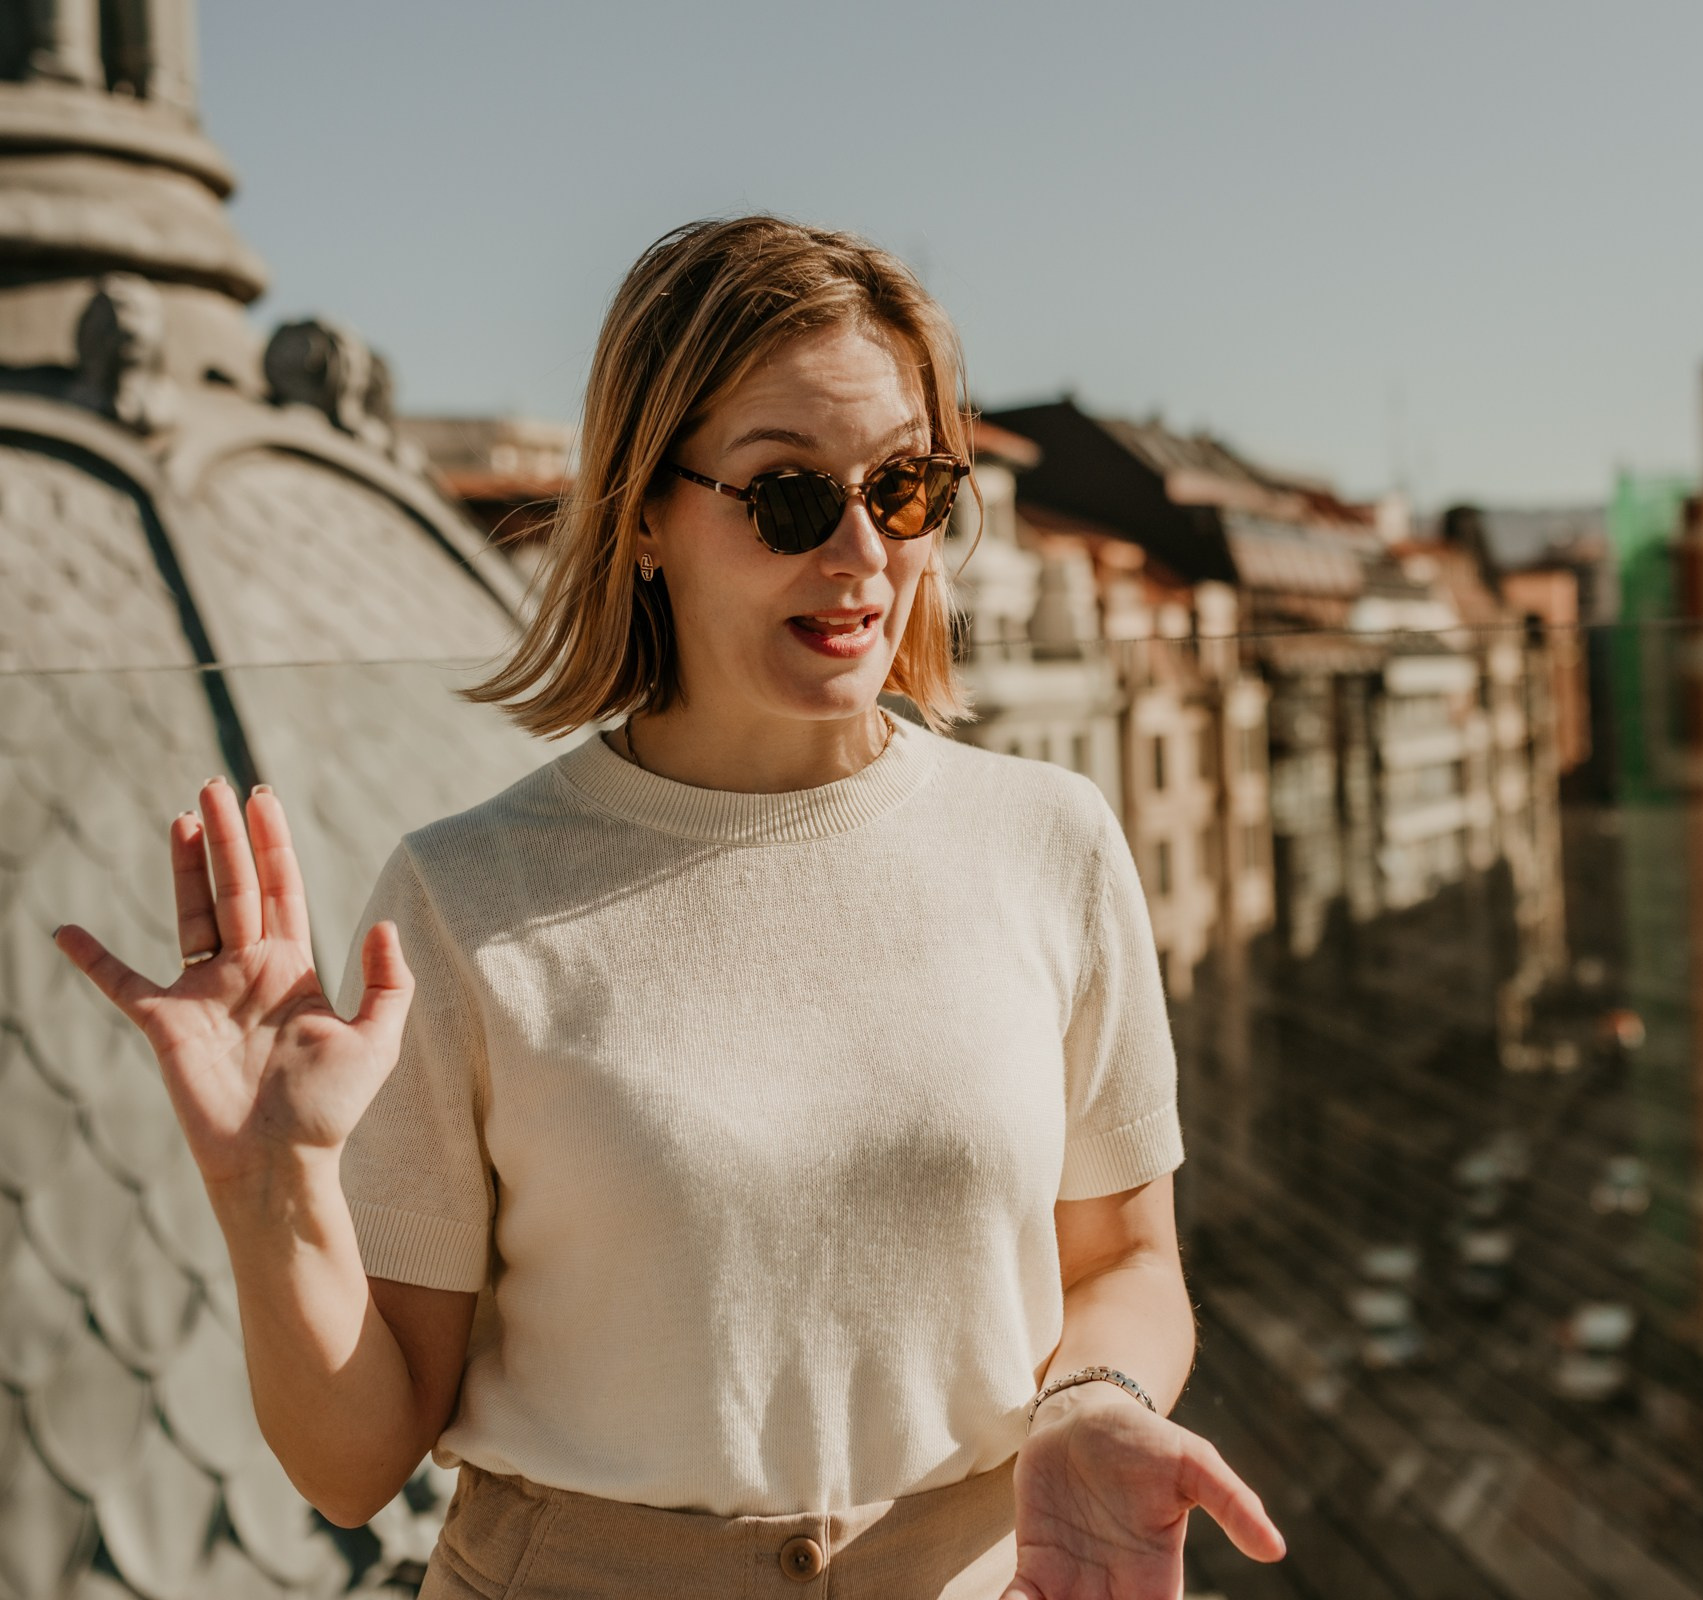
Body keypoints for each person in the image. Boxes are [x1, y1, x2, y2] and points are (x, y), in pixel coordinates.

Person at [53, 215, 1286, 1598]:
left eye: (905, 491)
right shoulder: (468, 897)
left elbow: (1126, 1257)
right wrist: (266, 1181)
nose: (864, 559)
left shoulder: (1049, 841)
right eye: (789, 497)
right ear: (645, 512)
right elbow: (355, 1465)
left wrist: (1097, 1399)